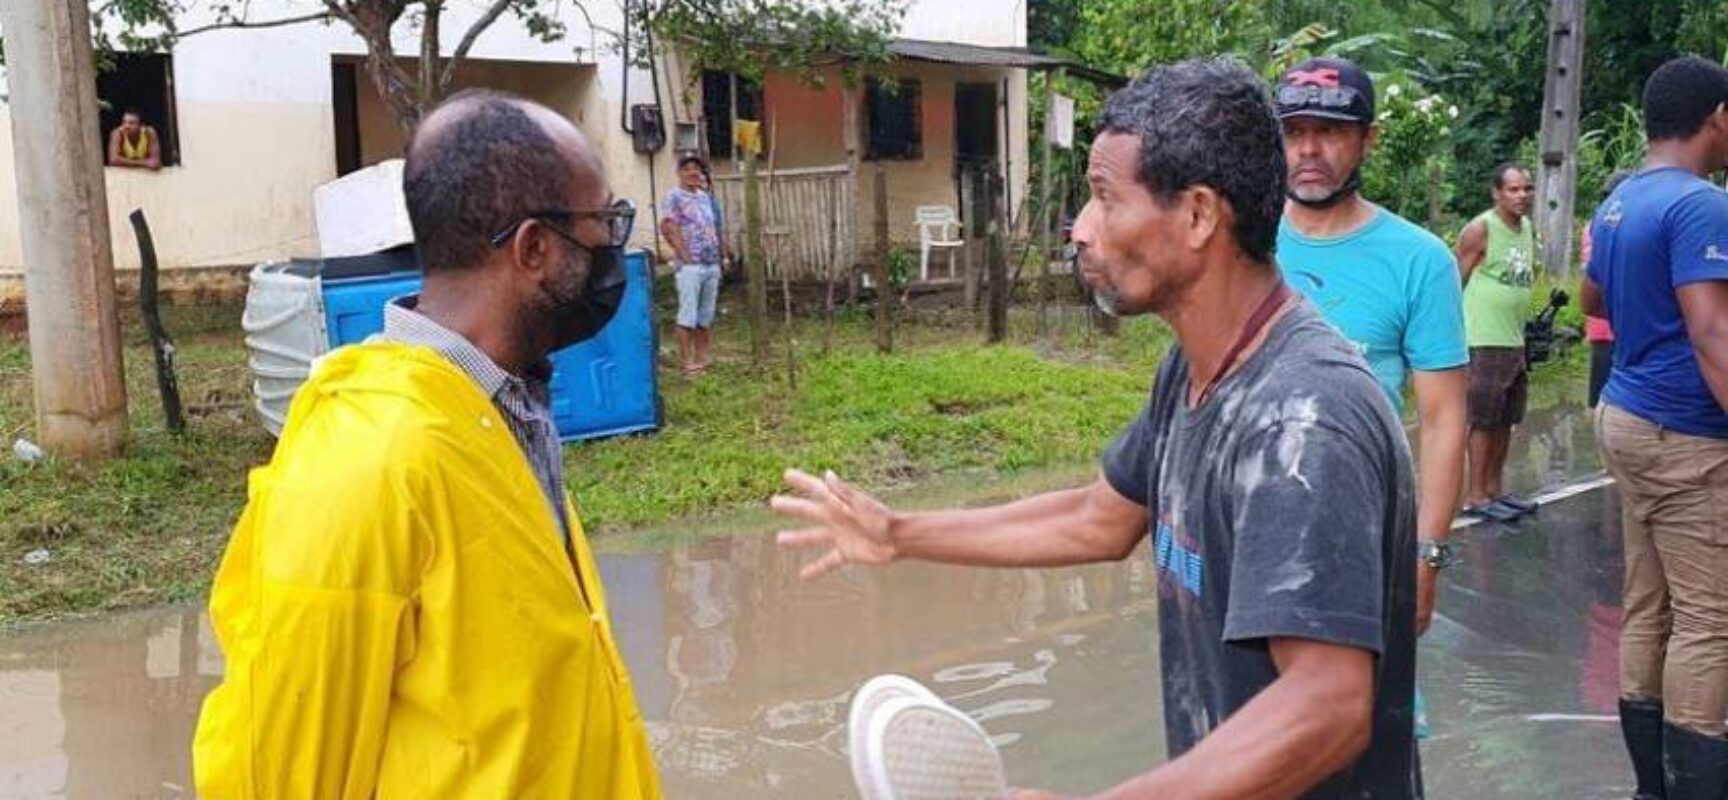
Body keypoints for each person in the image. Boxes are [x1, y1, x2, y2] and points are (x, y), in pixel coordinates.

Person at [775, 58, 1419, 799]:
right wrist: (900, 533)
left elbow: (1328, 706)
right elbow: (1097, 519)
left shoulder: (1303, 420)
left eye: (1105, 198)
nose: (1080, 229)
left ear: (1199, 215)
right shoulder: (1196, 369)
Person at [192, 90, 662, 798]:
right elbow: (278, 775)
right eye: (605, 223)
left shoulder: (499, 408)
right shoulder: (370, 462)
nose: (612, 250)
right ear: (534, 248)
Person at [1273, 56, 1468, 637]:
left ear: (1368, 139)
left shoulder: (1420, 261)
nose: (1309, 149)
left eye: (1330, 132)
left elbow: (1443, 420)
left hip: (1365, 529)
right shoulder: (1236, 240)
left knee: (1366, 686)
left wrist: (1426, 555)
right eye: (1294, 132)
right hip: (1248, 516)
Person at [1582, 55, 1728, 800]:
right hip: (1685, 435)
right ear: (1718, 118)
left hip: (1628, 413)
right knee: (1710, 618)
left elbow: (1591, 297)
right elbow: (1711, 331)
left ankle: (1652, 786)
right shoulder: (1701, 205)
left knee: (1650, 604)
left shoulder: (1621, 200)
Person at [1454, 162, 1538, 515]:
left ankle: (1494, 489)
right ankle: (1476, 496)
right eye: (1514, 189)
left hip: (1513, 339)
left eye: (1527, 189)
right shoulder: (1481, 229)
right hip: (1484, 338)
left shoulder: (1527, 227)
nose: (1522, 196)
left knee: (1506, 418)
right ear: (1497, 193)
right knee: (1484, 418)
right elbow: (1454, 282)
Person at [660, 154, 728, 376]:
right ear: (679, 173)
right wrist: (684, 255)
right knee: (687, 316)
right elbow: (668, 227)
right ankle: (687, 364)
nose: (692, 173)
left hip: (711, 263)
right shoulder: (674, 197)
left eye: (696, 169)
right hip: (690, 265)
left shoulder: (705, 197)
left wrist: (722, 255)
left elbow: (715, 227)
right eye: (687, 169)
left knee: (705, 316)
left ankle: (702, 360)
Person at [1582, 171, 1632, 408]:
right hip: (1610, 325)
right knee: (1610, 394)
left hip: (1606, 326)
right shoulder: (1602, 227)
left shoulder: (1596, 225)